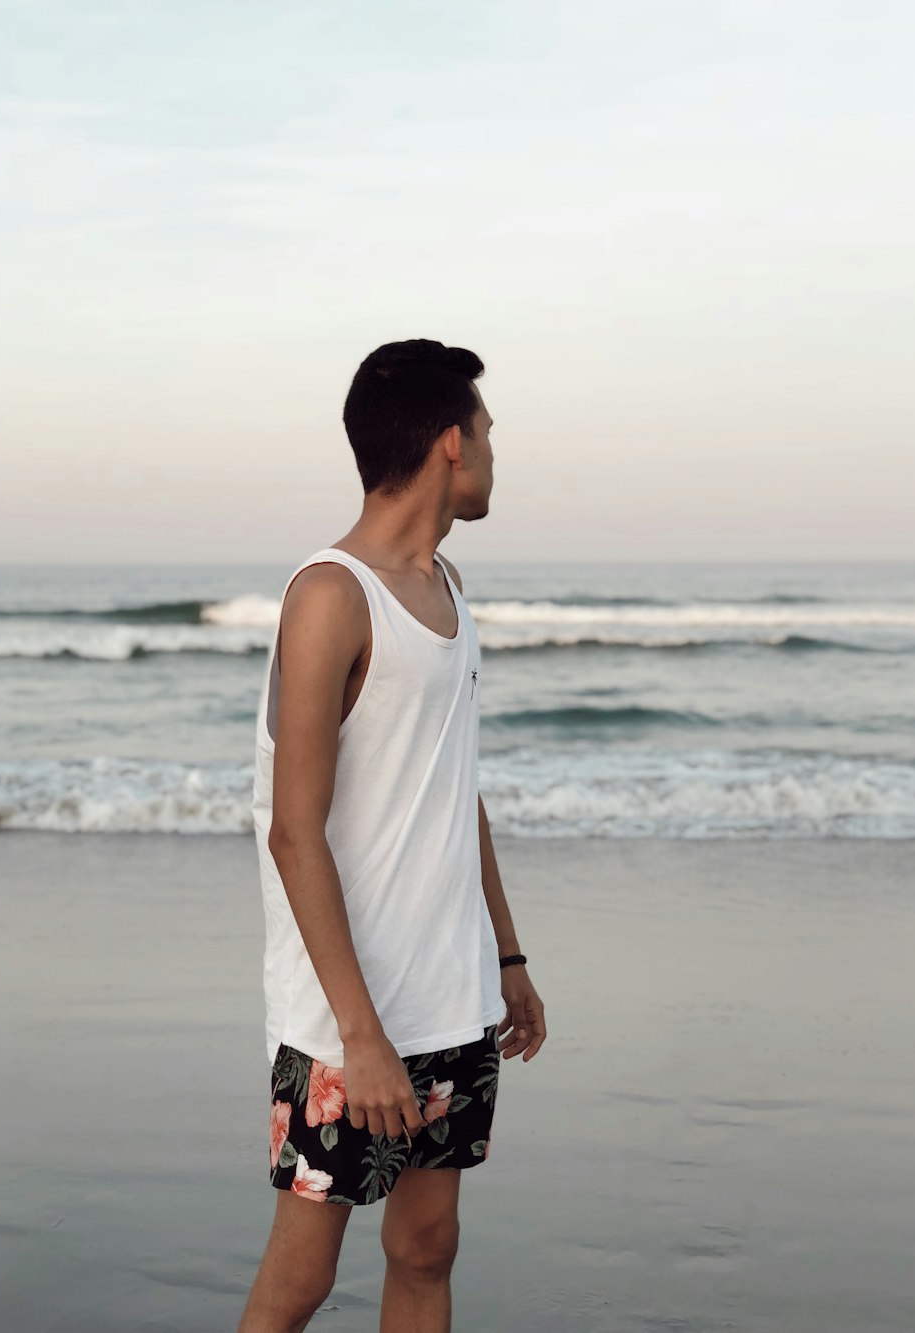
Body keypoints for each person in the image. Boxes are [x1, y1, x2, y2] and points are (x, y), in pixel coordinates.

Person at [238, 339, 546, 1333]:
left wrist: (506, 954)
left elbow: (455, 789)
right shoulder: (330, 595)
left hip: (449, 993)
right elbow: (295, 833)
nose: (496, 452)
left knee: (426, 1246)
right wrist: (360, 1038)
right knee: (302, 1280)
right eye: (489, 432)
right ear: (451, 443)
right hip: (347, 1021)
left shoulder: (448, 586)